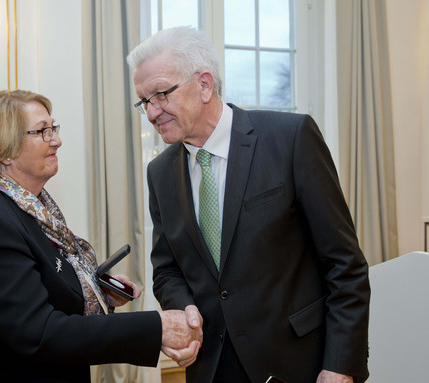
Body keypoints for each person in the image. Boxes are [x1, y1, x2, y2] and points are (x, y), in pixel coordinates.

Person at [127, 26, 370, 383]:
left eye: (161, 95)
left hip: (301, 364)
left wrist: (339, 366)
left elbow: (344, 265)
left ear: (205, 85)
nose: (151, 113)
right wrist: (186, 309)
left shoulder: (290, 139)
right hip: (212, 368)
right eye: (144, 101)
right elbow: (166, 270)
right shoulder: (159, 173)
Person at [0, 89, 202, 383]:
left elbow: (47, 287)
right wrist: (156, 327)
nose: (57, 140)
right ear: (3, 150)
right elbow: (41, 333)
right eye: (42, 132)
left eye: (53, 128)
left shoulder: (35, 208)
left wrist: (100, 293)